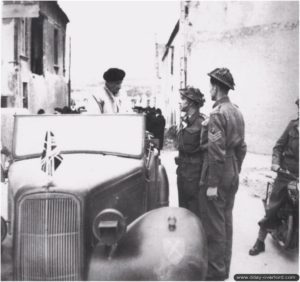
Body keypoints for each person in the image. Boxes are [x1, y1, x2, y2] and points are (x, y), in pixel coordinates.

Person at [198, 68, 247, 281]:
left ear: (216, 87)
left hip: (219, 171)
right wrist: (236, 169)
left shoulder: (218, 113)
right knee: (226, 222)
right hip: (233, 168)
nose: (209, 90)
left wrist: (212, 184)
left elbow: (216, 152)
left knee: (215, 226)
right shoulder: (236, 111)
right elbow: (242, 147)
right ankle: (224, 270)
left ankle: (215, 274)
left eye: (210, 86)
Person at [249, 98, 299, 256]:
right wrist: (276, 163)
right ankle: (260, 241)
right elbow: (278, 147)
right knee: (273, 208)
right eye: (299, 107)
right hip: (286, 174)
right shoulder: (293, 126)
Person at [175, 86, 206, 216]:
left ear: (191, 102)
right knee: (182, 208)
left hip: (194, 174)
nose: (180, 102)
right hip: (182, 170)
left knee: (193, 211)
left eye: (182, 99)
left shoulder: (202, 123)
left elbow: (207, 152)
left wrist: (204, 178)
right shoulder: (185, 120)